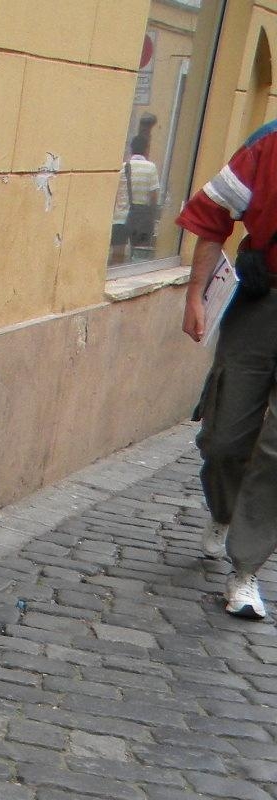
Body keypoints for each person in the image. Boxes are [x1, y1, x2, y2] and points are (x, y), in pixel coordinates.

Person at [181, 119, 277, 620]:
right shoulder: (269, 143)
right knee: (223, 440)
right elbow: (211, 214)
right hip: (262, 304)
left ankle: (245, 571)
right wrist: (196, 294)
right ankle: (223, 510)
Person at [113, 125, 163, 262]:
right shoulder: (151, 168)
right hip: (141, 219)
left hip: (120, 218)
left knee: (117, 255)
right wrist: (152, 217)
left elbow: (116, 194)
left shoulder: (123, 168)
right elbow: (153, 196)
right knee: (139, 257)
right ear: (147, 149)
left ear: (131, 149)